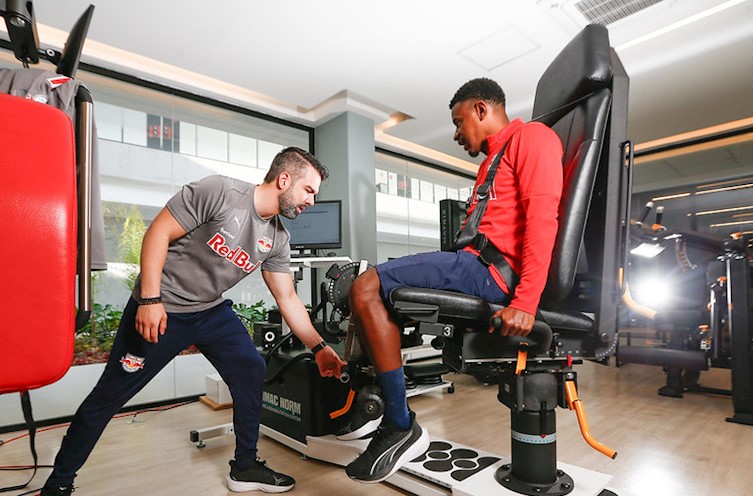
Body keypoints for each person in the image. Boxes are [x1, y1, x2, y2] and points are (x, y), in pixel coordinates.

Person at [40, 147, 346, 496]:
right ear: (284, 179)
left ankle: (245, 466)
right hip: (162, 306)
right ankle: (58, 482)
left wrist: (319, 347)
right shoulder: (221, 193)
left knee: (249, 369)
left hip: (210, 311)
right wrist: (150, 300)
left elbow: (287, 298)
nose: (311, 200)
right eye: (309, 191)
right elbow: (157, 233)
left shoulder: (278, 239)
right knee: (109, 396)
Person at [344, 78, 563, 483]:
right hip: (471, 266)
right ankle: (379, 406)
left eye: (459, 122)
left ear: (482, 109)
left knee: (365, 286)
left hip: (489, 275)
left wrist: (526, 303)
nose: (457, 134)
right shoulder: (489, 164)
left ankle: (397, 423)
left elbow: (542, 222)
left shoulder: (533, 138)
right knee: (369, 291)